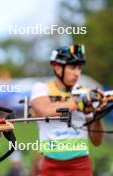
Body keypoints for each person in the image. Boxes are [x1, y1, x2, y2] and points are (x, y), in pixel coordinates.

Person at [30, 44, 106, 176]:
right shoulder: (41, 88)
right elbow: (46, 110)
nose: (77, 73)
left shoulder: (85, 92)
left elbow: (97, 141)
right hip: (50, 163)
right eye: (72, 67)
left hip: (81, 165)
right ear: (57, 68)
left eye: (79, 68)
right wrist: (79, 101)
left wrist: (97, 114)